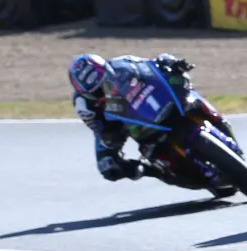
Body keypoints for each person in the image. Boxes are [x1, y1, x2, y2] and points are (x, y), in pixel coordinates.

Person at [69, 52, 218, 190]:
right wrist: (111, 144)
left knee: (189, 95)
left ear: (108, 71)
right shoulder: (84, 106)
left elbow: (152, 66)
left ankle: (217, 120)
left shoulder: (123, 64)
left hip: (153, 102)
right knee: (109, 169)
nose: (103, 90)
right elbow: (100, 131)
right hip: (132, 124)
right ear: (86, 94)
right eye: (97, 91)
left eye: (104, 83)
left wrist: (170, 63)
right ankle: (152, 170)